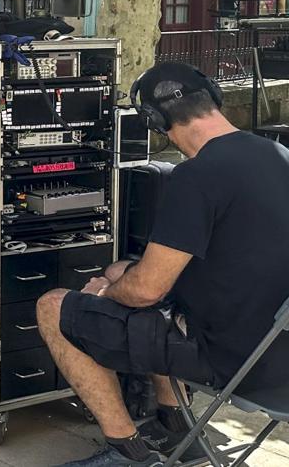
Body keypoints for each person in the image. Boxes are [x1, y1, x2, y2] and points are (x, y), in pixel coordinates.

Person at [37, 62, 289, 467]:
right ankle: (178, 430)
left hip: (237, 364)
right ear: (213, 99)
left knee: (55, 306)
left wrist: (103, 290)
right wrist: (121, 277)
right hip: (280, 355)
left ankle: (127, 451)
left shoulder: (198, 176)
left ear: (155, 120)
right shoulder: (278, 154)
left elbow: (146, 291)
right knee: (126, 270)